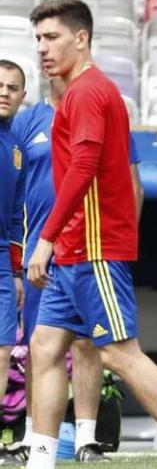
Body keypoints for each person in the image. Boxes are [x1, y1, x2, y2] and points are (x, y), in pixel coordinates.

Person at [24, 0, 157, 469]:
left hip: (92, 250)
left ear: (81, 38)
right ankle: (40, 460)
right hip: (75, 249)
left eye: (51, 38)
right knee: (44, 347)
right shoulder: (76, 92)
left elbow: (87, 166)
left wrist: (47, 237)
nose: (42, 49)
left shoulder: (89, 91)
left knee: (118, 354)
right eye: (37, 39)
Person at [11, 75, 144, 463]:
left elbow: (132, 184)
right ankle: (35, 439)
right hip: (39, 250)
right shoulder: (28, 121)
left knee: (90, 342)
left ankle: (87, 439)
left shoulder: (99, 109)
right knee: (40, 345)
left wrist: (118, 250)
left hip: (91, 247)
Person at [0, 59, 27, 464]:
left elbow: (17, 215)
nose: (3, 91)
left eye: (12, 87)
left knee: (3, 348)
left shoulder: (16, 149)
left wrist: (17, 271)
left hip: (3, 260)